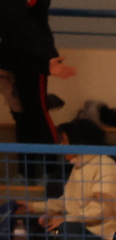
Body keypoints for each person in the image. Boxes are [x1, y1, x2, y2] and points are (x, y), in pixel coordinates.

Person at [0, 0, 73, 148]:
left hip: (30, 59)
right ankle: (31, 163)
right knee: (23, 115)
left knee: (35, 114)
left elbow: (25, 26)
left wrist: (47, 60)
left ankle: (49, 161)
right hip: (15, 58)